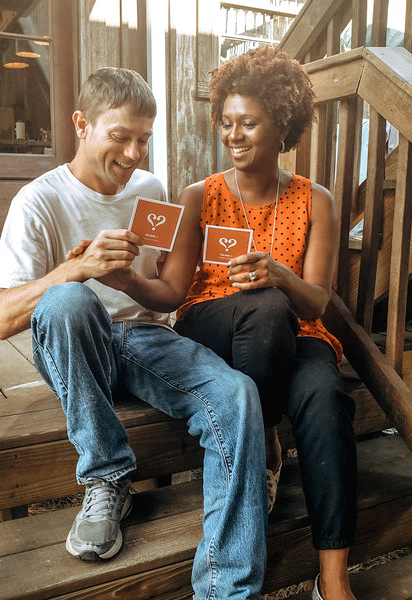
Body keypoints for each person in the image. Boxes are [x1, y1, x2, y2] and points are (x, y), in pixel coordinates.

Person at [0, 67, 268, 600]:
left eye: (144, 139)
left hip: (143, 340)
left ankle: (228, 589)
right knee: (69, 301)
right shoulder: (37, 201)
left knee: (238, 395)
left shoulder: (150, 188)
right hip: (75, 344)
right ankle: (108, 476)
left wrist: (125, 279)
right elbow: (1, 319)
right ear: (82, 125)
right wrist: (79, 270)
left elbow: (161, 291)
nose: (135, 153)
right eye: (121, 137)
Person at [169, 47, 358, 600]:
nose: (234, 134)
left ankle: (334, 579)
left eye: (248, 123)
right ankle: (265, 437)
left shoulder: (315, 201)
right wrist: (124, 278)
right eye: (226, 123)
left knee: (325, 397)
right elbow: (173, 292)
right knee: (265, 308)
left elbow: (317, 303)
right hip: (213, 327)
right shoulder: (197, 197)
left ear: (283, 126)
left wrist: (278, 274)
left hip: (296, 333)